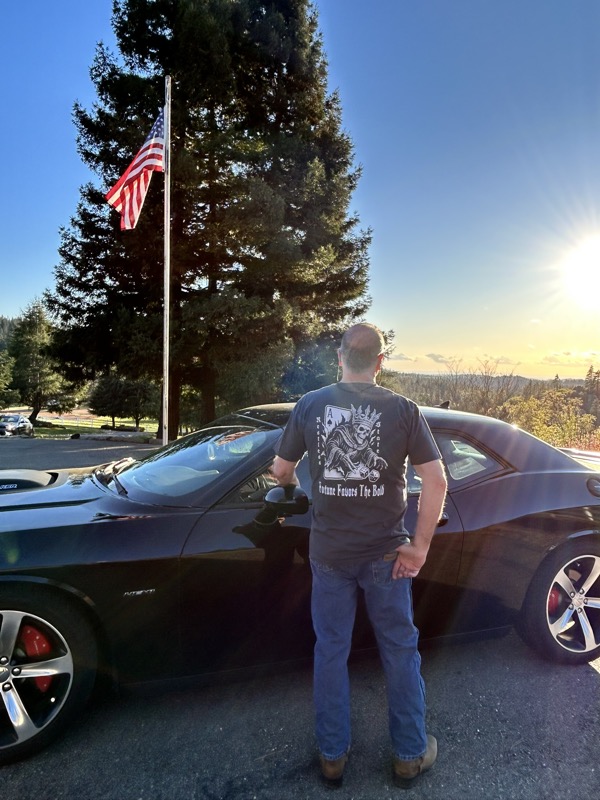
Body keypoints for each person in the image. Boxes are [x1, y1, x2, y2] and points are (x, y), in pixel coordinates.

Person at [272, 323, 447, 789]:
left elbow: (281, 469)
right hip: (388, 556)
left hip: (329, 554)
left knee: (331, 650)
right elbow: (438, 481)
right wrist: (421, 546)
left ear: (340, 357)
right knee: (399, 650)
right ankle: (409, 755)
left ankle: (333, 757)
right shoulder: (404, 410)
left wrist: (291, 487)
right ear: (380, 362)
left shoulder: (311, 404)